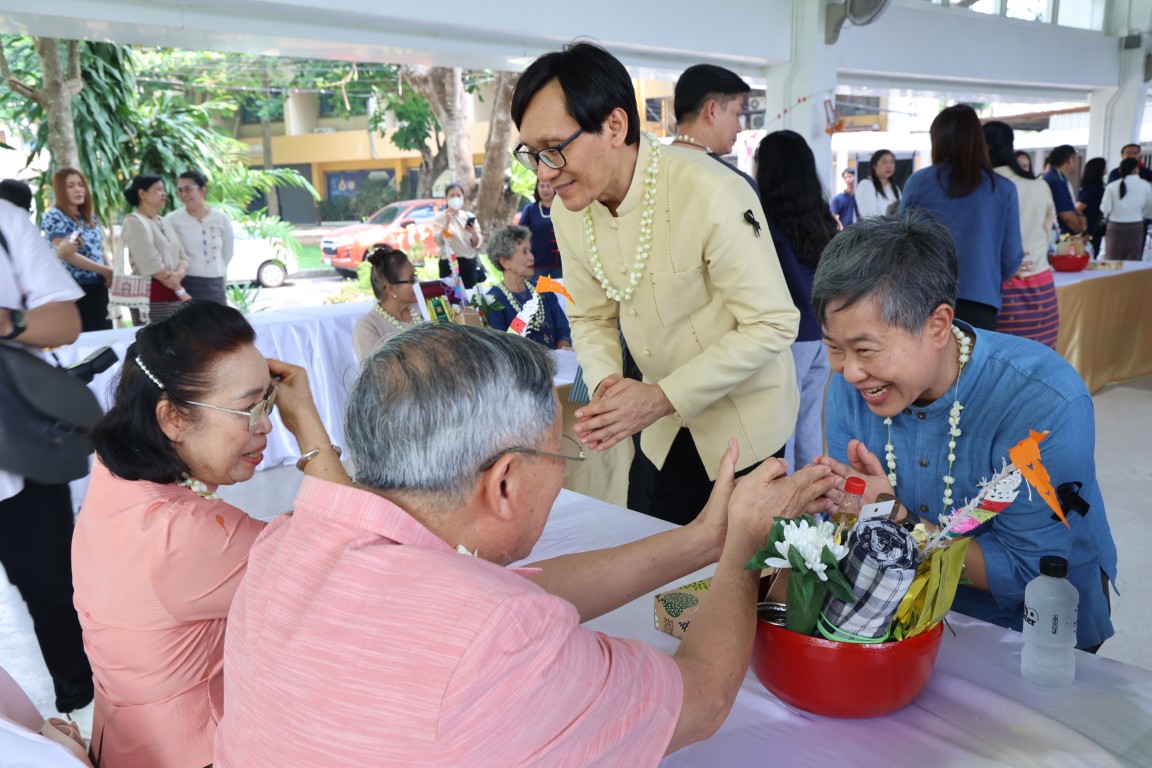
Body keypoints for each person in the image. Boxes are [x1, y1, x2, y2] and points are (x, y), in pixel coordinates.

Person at [215, 323, 837, 766]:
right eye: (557, 454)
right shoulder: (499, 635)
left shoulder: (285, 546)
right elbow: (702, 699)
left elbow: (498, 598)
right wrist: (744, 549)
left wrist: (702, 541)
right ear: (506, 482)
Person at [509, 41, 800, 525]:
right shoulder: (569, 211)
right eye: (533, 154)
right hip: (659, 429)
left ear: (614, 126)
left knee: (742, 560)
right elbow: (590, 316)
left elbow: (773, 323)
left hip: (743, 426)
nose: (544, 172)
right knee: (654, 545)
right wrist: (609, 391)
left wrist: (662, 396)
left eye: (554, 150)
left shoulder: (710, 191)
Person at [813, 210, 1117, 652]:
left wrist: (898, 520)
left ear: (938, 325)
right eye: (834, 348)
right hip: (902, 617)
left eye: (865, 349)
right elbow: (849, 522)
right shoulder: (850, 387)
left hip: (1032, 630)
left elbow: (1031, 571)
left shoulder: (1041, 402)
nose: (851, 372)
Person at [73, 300, 348, 767]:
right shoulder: (183, 536)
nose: (266, 424)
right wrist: (305, 419)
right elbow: (354, 562)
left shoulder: (115, 473)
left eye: (269, 400)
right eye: (249, 408)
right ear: (173, 419)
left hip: (123, 744)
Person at [0, 197, 94, 732]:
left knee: (57, 598)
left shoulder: (6, 223)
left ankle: (85, 717)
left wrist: (7, 320)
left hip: (21, 458)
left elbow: (64, 320)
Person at [754, 131, 838, 473]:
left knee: (782, 428)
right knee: (808, 423)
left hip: (788, 337)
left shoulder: (764, 220)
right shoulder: (820, 215)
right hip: (822, 335)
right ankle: (814, 496)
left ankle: (785, 500)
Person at [900, 105, 1023, 331]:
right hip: (981, 300)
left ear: (937, 140)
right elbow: (1011, 258)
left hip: (925, 297)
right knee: (974, 355)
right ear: (979, 140)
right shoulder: (1003, 188)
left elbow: (900, 243)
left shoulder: (918, 182)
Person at [983, 121, 1059, 348]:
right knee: (1041, 358)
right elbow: (1048, 231)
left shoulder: (981, 186)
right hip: (1041, 285)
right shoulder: (1039, 185)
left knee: (999, 359)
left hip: (997, 287)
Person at [42, 167, 114, 331]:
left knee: (104, 335)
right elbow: (67, 254)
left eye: (81, 185)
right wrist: (106, 270)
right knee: (82, 337)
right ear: (60, 190)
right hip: (73, 289)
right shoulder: (55, 216)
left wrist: (109, 271)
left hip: (99, 287)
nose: (78, 189)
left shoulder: (90, 216)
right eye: (71, 186)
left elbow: (101, 248)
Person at [670, 63, 758, 192]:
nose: (740, 128)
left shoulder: (647, 168)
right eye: (737, 114)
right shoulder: (735, 185)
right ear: (712, 111)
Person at [485, 225, 571, 349]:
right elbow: (502, 346)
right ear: (505, 262)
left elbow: (564, 330)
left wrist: (562, 351)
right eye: (524, 252)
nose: (531, 257)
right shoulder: (494, 300)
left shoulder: (544, 290)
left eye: (530, 251)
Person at [121, 174, 190, 324]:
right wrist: (179, 289)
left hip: (173, 293)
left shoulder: (164, 221)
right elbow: (150, 263)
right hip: (150, 296)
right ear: (142, 193)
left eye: (163, 190)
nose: (163, 193)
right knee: (155, 336)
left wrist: (178, 274)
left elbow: (183, 257)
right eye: (158, 189)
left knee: (175, 335)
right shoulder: (134, 221)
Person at [164, 170, 234, 305]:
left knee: (218, 318)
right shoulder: (172, 220)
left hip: (216, 283)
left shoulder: (221, 218)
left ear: (202, 191)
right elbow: (170, 254)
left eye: (188, 189)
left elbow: (227, 252)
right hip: (186, 283)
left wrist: (216, 269)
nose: (183, 195)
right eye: (180, 190)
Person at [353, 244, 421, 361]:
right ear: (391, 289)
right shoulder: (367, 326)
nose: (417, 283)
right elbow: (374, 370)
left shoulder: (424, 308)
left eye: (415, 276)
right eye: (411, 280)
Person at [1101, 156, 1152, 261]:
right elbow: (1149, 209)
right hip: (1136, 227)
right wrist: (1143, 216)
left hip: (1115, 227)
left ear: (1120, 170)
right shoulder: (1145, 185)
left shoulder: (1112, 186)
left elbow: (1105, 208)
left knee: (1112, 260)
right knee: (1133, 262)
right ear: (1136, 169)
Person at [434, 182, 483, 290]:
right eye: (452, 196)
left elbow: (476, 243)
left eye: (458, 195)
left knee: (470, 295)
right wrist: (447, 222)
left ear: (463, 197)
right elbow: (440, 240)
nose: (455, 198)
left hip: (468, 263)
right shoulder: (440, 218)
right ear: (446, 198)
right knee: (453, 295)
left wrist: (473, 232)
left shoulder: (468, 216)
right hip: (449, 263)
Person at [519, 179, 563, 279]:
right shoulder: (530, 209)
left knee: (560, 288)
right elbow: (521, 234)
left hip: (561, 262)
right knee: (537, 288)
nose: (545, 190)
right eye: (542, 186)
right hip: (537, 261)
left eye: (548, 186)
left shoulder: (563, 207)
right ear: (537, 188)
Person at [1042, 145, 1088, 236]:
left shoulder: (1053, 177)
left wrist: (1080, 215)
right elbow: (1067, 216)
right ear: (1069, 160)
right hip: (1059, 235)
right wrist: (1081, 231)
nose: (1077, 163)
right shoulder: (1057, 181)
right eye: (1075, 159)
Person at [855, 149, 901, 218]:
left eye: (891, 162)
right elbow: (869, 216)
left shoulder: (895, 188)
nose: (889, 166)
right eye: (884, 162)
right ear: (874, 165)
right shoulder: (866, 185)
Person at [1077, 157, 1107, 257]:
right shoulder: (1092, 189)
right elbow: (1078, 208)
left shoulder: (1094, 188)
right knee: (1089, 253)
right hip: (1089, 226)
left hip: (1094, 225)